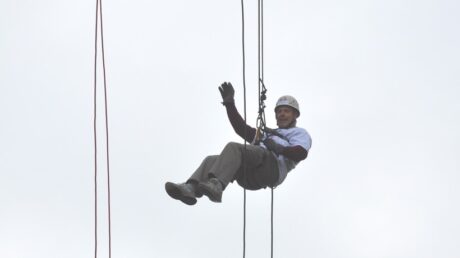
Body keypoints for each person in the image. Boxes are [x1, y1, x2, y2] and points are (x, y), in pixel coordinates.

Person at [165, 82, 312, 205]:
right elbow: (241, 129)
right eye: (279, 111)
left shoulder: (299, 133)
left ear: (295, 115)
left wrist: (279, 148)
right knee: (212, 160)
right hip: (250, 176)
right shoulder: (267, 134)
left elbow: (301, 153)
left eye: (286, 111)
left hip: (271, 170)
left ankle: (217, 186)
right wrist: (230, 104)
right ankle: (191, 187)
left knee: (236, 148)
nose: (282, 114)